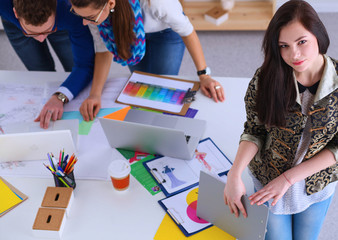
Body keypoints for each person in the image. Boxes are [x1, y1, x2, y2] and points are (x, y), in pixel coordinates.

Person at [223, 1, 337, 239]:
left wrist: (289, 178)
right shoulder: (266, 78)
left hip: (315, 182)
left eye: (301, 42)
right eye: (283, 46)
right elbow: (254, 130)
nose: (293, 55)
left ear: (318, 35)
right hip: (268, 180)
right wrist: (234, 174)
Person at [69, 0, 225, 121]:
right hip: (126, 32)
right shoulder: (93, 13)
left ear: (110, 3)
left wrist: (204, 75)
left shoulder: (158, 3)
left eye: (89, 17)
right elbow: (103, 49)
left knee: (162, 88)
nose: (84, 23)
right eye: (78, 15)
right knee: (142, 85)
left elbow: (188, 32)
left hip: (164, 32)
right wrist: (95, 94)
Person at [0, 0, 95, 128]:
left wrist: (60, 96)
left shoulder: (71, 8)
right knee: (40, 72)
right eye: (32, 33)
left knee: (73, 69)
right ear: (15, 13)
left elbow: (85, 65)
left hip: (63, 17)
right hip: (14, 24)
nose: (41, 39)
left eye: (47, 31)